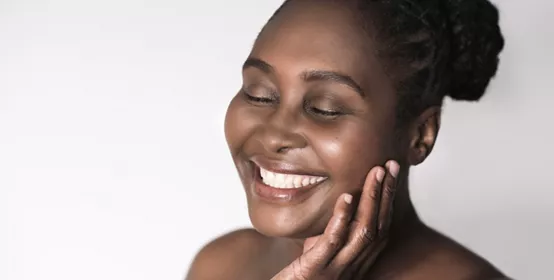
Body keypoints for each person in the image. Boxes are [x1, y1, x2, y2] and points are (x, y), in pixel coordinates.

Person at [186, 0, 508, 279]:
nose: (273, 136)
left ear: (420, 135)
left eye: (324, 109)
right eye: (260, 95)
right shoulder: (219, 265)